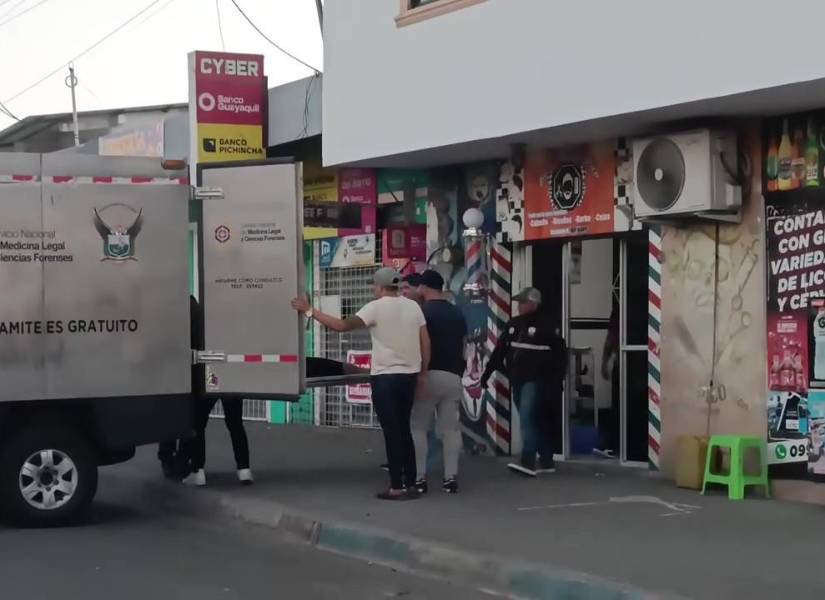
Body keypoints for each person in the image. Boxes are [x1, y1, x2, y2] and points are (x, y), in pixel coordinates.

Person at [292, 267, 430, 500]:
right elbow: (425, 342)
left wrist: (309, 311)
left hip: (385, 377)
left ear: (378, 287)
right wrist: (423, 373)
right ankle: (412, 483)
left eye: (373, 286)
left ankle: (396, 486)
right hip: (409, 377)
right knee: (404, 429)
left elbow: (340, 326)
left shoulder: (374, 307)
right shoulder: (414, 307)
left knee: (391, 431)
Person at [481, 287, 567, 477]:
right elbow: (500, 351)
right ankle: (546, 460)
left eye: (523, 302)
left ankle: (528, 461)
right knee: (534, 419)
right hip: (518, 379)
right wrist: (486, 374)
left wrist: (557, 379)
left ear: (534, 303)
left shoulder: (547, 325)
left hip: (537, 380)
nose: (519, 306)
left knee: (528, 417)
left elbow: (560, 355)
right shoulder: (514, 324)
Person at [181, 300, 252, 488]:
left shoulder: (199, 318)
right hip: (231, 373)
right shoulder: (234, 321)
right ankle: (244, 470)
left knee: (198, 423)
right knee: (235, 423)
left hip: (211, 373)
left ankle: (198, 471)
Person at [411, 270, 467, 494]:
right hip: (453, 376)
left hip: (428, 375)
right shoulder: (457, 314)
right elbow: (465, 346)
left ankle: (419, 478)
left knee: (418, 427)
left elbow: (416, 345)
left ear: (423, 287)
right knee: (450, 430)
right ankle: (450, 478)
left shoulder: (421, 313)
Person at [158, 295, 202, 480]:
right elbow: (199, 336)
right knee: (188, 417)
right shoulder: (191, 303)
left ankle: (168, 460)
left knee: (167, 417)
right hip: (189, 369)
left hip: (168, 370)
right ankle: (183, 460)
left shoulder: (162, 304)